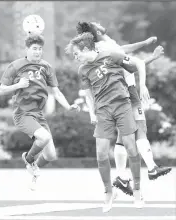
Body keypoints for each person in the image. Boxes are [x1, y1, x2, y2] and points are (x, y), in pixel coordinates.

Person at [76, 21, 172, 196]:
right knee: (140, 128)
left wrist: (145, 45)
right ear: (95, 31)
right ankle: (151, 168)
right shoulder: (103, 47)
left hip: (119, 92)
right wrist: (150, 54)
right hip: (126, 90)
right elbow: (130, 60)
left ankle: (121, 176)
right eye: (97, 25)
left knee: (123, 135)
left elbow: (125, 52)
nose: (100, 25)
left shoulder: (100, 46)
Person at [66, 32, 148, 212]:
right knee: (101, 154)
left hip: (123, 107)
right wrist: (91, 114)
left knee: (131, 148)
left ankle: (137, 190)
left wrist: (142, 86)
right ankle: (108, 193)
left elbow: (138, 65)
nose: (75, 57)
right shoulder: (83, 70)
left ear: (86, 49)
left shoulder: (112, 55)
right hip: (103, 112)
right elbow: (88, 95)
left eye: (76, 53)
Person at [0, 34, 80, 190]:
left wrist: (68, 106)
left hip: (38, 115)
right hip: (22, 113)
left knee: (50, 156)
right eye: (34, 48)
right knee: (44, 137)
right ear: (27, 49)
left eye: (40, 49)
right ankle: (28, 160)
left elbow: (56, 92)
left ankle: (34, 170)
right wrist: (18, 85)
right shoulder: (16, 66)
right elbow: (1, 90)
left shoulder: (46, 67)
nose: (37, 52)